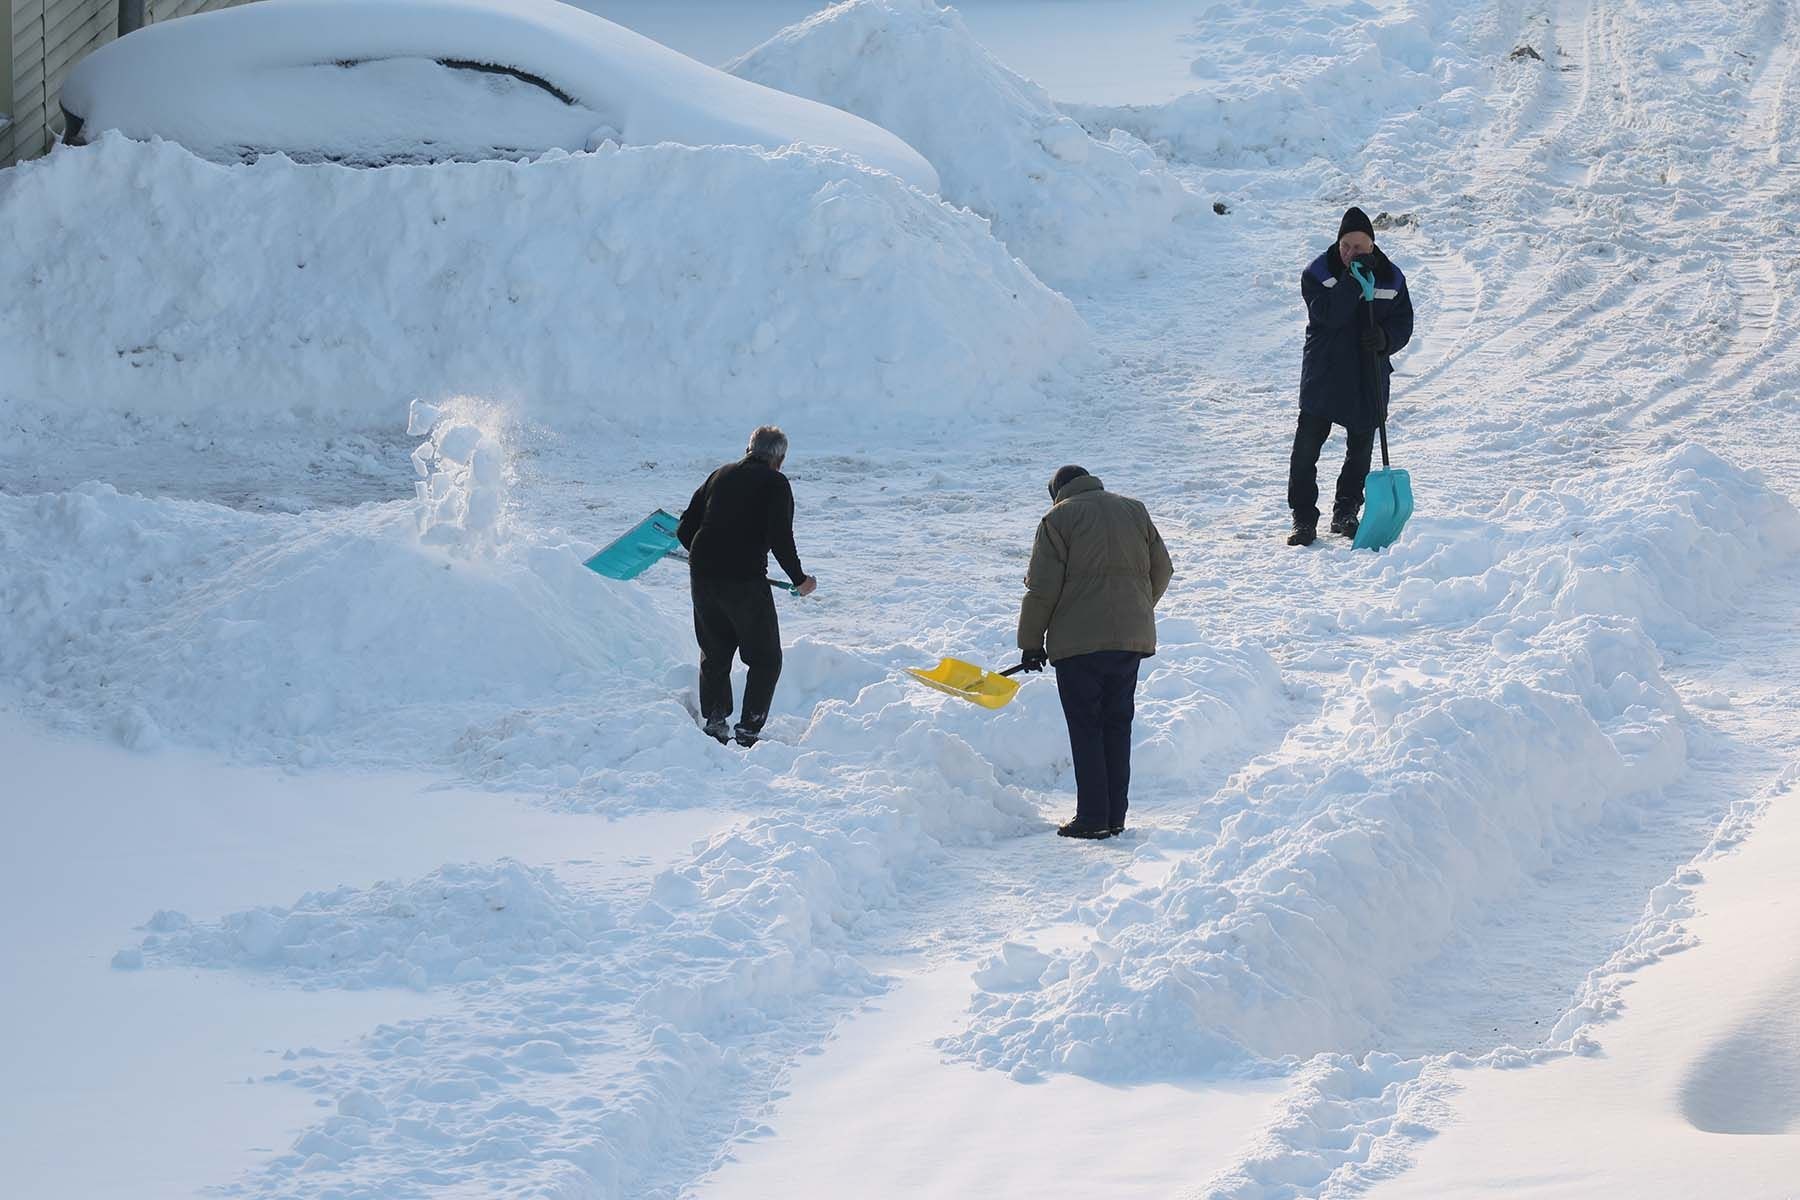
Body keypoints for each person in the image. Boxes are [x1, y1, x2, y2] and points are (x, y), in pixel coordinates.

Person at [1017, 465, 1173, 839]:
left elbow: (1042, 588)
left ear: (1058, 491)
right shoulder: (1134, 510)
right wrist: (1136, 608)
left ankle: (1092, 817)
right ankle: (1115, 816)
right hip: (1129, 642)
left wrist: (1031, 644)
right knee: (1117, 726)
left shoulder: (1058, 518)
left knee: (1087, 727)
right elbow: (1163, 570)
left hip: (1079, 645)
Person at [676, 425, 817, 747]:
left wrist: (708, 555)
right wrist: (799, 579)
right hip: (743, 579)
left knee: (715, 651)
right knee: (765, 658)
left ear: (748, 449)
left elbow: (686, 529)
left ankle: (715, 721)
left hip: (702, 573)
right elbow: (781, 538)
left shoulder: (720, 475)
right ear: (779, 459)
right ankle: (748, 729)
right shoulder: (775, 483)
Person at [1288, 205, 1415, 546]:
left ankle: (1346, 511)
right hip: (1325, 372)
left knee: (1359, 451)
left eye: (1358, 247)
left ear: (1371, 246)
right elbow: (1327, 315)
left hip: (1367, 374)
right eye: (1345, 245)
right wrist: (1352, 284)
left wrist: (1385, 339)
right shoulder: (1318, 273)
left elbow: (1403, 323)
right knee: (1305, 451)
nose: (1350, 253)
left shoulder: (1392, 278)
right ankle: (1303, 519)